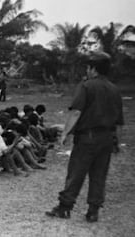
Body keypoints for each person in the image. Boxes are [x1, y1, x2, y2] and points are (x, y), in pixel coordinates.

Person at [46, 51, 124, 222]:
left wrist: (65, 133)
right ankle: (93, 211)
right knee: (99, 175)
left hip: (87, 137)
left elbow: (76, 112)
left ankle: (65, 207)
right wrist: (115, 141)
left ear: (93, 68)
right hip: (107, 138)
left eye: (88, 67)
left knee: (76, 172)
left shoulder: (86, 86)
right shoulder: (114, 89)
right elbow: (118, 120)